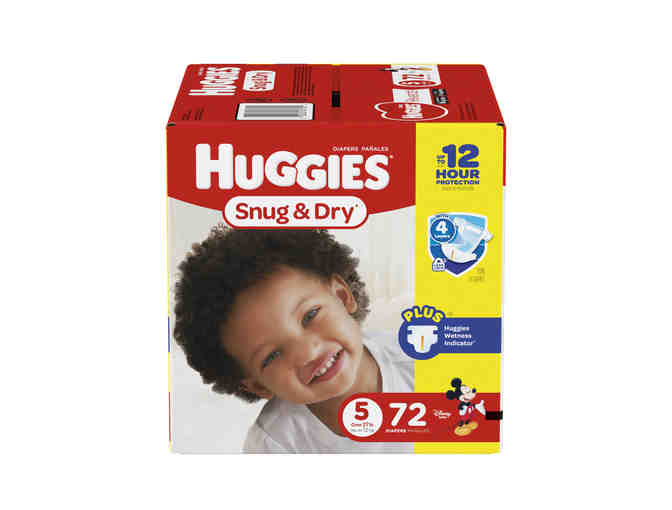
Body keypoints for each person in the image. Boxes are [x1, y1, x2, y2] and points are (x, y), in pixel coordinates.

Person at [173, 225, 413, 453]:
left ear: (341, 296)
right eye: (272, 355)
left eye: (310, 316)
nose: (308, 352)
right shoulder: (275, 445)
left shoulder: (415, 360)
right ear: (259, 385)